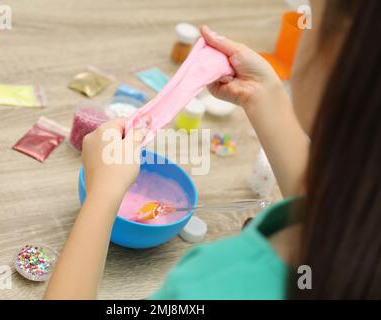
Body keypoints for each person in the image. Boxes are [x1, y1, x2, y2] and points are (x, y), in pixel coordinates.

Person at [44, 0, 381, 299]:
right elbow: (330, 206)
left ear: (342, 52)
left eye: (309, 14)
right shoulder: (361, 223)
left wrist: (102, 194)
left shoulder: (217, 283)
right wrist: (263, 95)